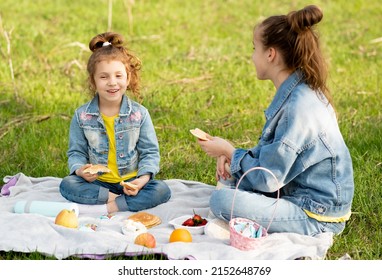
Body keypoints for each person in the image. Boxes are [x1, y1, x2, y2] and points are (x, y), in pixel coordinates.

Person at [197, 5, 354, 236]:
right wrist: (234, 158)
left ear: (270, 54)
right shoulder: (298, 91)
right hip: (295, 190)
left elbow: (268, 179)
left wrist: (231, 152)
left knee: (221, 200)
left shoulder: (296, 108)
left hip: (315, 216)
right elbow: (276, 156)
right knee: (232, 180)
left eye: (255, 49)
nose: (252, 57)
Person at [60, 32, 171, 214]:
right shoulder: (82, 116)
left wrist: (142, 180)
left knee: (161, 190)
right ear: (93, 81)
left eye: (118, 76)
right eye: (104, 77)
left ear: (128, 78)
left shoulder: (139, 114)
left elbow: (150, 152)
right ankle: (116, 201)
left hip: (132, 181)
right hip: (99, 184)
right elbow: (76, 152)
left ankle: (112, 206)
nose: (112, 83)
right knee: (68, 184)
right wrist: (81, 171)